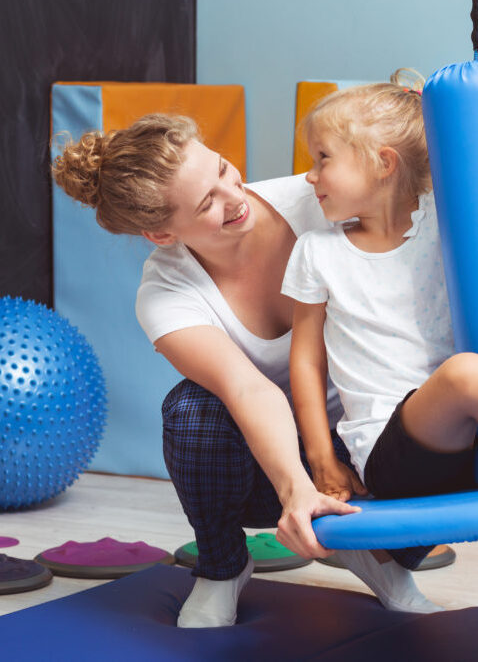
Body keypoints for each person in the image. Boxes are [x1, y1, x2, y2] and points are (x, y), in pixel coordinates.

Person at [52, 112, 439, 628]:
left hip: (368, 439)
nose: (234, 198)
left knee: (449, 410)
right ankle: (222, 567)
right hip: (266, 469)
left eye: (223, 171)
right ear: (161, 232)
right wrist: (299, 486)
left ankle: (381, 558)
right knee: (191, 410)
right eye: (206, 203)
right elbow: (246, 388)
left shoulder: (322, 199)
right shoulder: (166, 295)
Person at [283, 74, 477, 596]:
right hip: (391, 454)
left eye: (323, 158)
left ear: (384, 163)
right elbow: (306, 362)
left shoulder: (449, 222)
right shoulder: (318, 251)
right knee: (463, 374)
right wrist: (322, 457)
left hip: (468, 438)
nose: (309, 175)